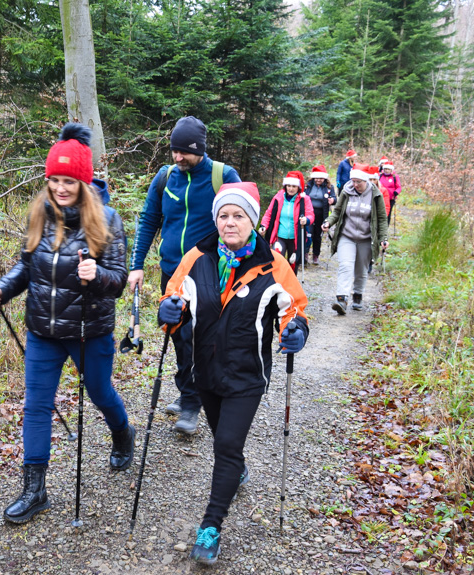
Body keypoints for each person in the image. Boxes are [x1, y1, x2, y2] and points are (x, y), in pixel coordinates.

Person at [0, 124, 134, 524]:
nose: (61, 188)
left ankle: (122, 432)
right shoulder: (40, 214)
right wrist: (2, 288)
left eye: (69, 181)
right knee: (36, 405)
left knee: (100, 392)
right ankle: (35, 489)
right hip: (44, 332)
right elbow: (26, 265)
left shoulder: (107, 220)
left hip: (89, 330)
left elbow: (117, 280)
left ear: (84, 183)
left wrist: (95, 275)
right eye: (54, 180)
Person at [157, 182, 309, 565]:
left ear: (252, 221)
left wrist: (296, 330)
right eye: (223, 215)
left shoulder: (273, 264)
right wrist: (169, 312)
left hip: (247, 376)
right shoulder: (197, 257)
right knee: (223, 440)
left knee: (225, 445)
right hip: (204, 372)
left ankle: (210, 527)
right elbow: (174, 296)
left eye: (238, 215)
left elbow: (295, 309)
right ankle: (237, 469)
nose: (229, 222)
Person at [128, 116, 241, 435]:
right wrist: (137, 265)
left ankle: (192, 401)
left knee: (198, 336)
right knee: (177, 334)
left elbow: (243, 220)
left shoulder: (223, 176)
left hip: (207, 274)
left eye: (184, 153)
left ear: (200, 150)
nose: (177, 158)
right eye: (174, 151)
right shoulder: (166, 177)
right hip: (171, 273)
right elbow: (149, 219)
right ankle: (188, 391)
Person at [322, 163, 388, 314]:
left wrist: (383, 238)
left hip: (366, 238)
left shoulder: (375, 195)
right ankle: (342, 299)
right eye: (354, 181)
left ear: (366, 181)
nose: (356, 184)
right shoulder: (347, 192)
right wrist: (328, 222)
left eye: (359, 182)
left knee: (361, 270)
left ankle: (357, 296)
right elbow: (337, 212)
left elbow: (382, 218)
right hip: (347, 236)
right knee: (345, 266)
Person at [259, 170, 313, 274]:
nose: (291, 189)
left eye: (294, 186)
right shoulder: (278, 197)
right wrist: (263, 226)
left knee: (293, 264)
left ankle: (290, 287)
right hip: (279, 236)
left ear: (298, 187)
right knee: (277, 260)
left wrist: (307, 219)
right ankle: (277, 285)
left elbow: (311, 214)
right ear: (285, 186)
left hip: (295, 238)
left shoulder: (304, 199)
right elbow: (269, 213)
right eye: (289, 186)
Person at [303, 165, 337, 265]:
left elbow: (335, 199)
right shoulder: (308, 185)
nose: (318, 180)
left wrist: (333, 200)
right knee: (308, 233)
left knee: (317, 235)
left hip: (321, 214)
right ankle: (305, 254)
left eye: (321, 178)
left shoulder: (329, 187)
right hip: (309, 213)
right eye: (317, 178)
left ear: (324, 178)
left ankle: (315, 255)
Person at [379, 161, 401, 225]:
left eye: (388, 169)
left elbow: (399, 187)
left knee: (387, 213)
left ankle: (386, 227)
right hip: (381, 197)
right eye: (385, 169)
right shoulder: (380, 176)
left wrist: (396, 192)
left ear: (391, 169)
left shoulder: (395, 177)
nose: (386, 171)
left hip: (390, 199)